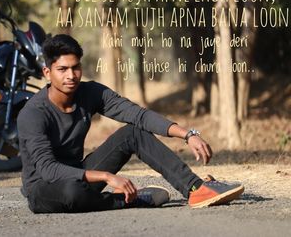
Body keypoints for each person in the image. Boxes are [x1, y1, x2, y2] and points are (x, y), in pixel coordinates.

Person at [17, 34, 244, 213]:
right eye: (62, 69)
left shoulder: (90, 92)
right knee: (72, 192)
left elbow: (138, 115)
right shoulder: (33, 113)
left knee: (133, 132)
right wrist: (107, 177)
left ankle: (196, 188)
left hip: (80, 176)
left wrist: (188, 134)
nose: (71, 75)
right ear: (47, 72)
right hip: (44, 188)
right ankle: (131, 200)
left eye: (76, 67)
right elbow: (48, 169)